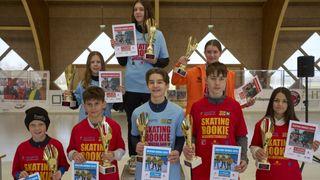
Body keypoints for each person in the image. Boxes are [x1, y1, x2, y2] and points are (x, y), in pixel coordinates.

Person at [111, 0, 169, 157]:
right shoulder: (127, 34)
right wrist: (117, 48)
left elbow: (165, 61)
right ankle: (133, 158)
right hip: (131, 87)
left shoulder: (157, 34)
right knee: (133, 124)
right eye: (135, 9)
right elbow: (123, 62)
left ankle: (152, 155)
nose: (138, 12)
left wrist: (154, 61)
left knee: (152, 124)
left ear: (147, 11)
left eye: (141, 9)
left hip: (151, 88)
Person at [183, 62, 249, 180]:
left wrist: (244, 157)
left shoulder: (234, 106)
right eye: (213, 78)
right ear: (206, 80)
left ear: (226, 81)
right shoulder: (197, 107)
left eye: (221, 79)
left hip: (228, 169)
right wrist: (189, 147)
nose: (217, 83)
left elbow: (241, 136)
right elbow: (192, 136)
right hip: (202, 168)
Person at [250, 87, 320, 180]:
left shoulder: (296, 126)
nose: (280, 104)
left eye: (284, 101)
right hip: (266, 175)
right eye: (276, 100)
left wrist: (310, 148)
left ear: (289, 104)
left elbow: (302, 153)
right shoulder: (262, 123)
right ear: (271, 102)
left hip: (291, 175)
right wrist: (256, 151)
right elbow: (254, 145)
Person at [172, 39, 254, 115]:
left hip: (219, 118)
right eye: (209, 52)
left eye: (215, 52)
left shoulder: (229, 74)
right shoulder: (193, 72)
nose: (212, 55)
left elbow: (230, 99)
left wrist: (244, 104)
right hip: (197, 116)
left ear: (220, 53)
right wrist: (179, 64)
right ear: (204, 53)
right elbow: (175, 81)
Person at [131, 68, 185, 179]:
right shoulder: (138, 112)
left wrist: (177, 151)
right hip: (145, 169)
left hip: (170, 168)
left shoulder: (178, 112)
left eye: (160, 82)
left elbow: (180, 138)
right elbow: (133, 136)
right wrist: (137, 145)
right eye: (151, 82)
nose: (155, 85)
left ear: (166, 85)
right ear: (147, 85)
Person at [67, 86, 125, 180]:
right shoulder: (77, 129)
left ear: (104, 104)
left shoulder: (114, 126)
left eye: (96, 103)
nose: (93, 108)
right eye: (89, 104)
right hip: (86, 175)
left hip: (108, 176)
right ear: (84, 107)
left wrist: (113, 154)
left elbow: (122, 150)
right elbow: (70, 151)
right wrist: (74, 155)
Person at [12, 106, 69, 180]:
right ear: (28, 127)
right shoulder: (22, 148)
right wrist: (19, 175)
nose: (37, 128)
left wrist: (60, 172)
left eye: (41, 124)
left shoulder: (56, 145)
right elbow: (15, 171)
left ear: (46, 126)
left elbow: (64, 165)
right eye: (33, 125)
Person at [65, 51, 113, 121]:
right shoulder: (83, 83)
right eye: (92, 62)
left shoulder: (109, 82)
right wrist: (69, 97)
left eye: (98, 62)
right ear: (89, 65)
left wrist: (121, 95)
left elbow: (116, 106)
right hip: (86, 122)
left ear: (102, 64)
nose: (95, 64)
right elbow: (74, 106)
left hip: (104, 122)